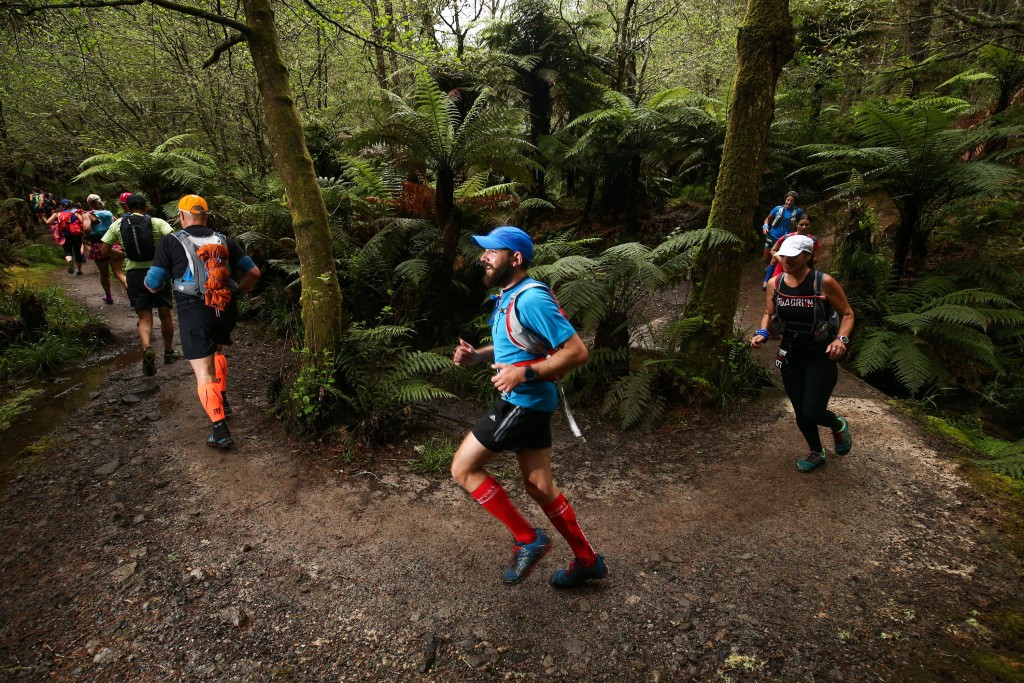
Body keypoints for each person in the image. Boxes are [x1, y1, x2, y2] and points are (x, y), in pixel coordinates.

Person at [451, 226, 607, 588]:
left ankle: (528, 538)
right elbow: (515, 344)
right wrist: (478, 356)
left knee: (462, 468)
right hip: (531, 403)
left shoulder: (532, 298)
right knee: (539, 485)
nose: (483, 257)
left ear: (515, 259)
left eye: (492, 251)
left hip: (521, 403)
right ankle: (587, 560)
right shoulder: (509, 295)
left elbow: (577, 353)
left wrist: (525, 374)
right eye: (484, 251)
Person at [145, 195, 261, 449]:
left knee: (203, 372)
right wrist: (236, 294)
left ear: (181, 215)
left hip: (194, 311)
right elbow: (253, 273)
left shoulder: (170, 242)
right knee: (217, 350)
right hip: (225, 309)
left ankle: (220, 432)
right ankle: (223, 399)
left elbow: (153, 283)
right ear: (206, 215)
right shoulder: (225, 240)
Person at [751, 234, 855, 472]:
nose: (787, 260)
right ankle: (816, 451)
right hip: (790, 356)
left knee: (813, 410)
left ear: (807, 256)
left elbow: (847, 313)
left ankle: (837, 424)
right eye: (785, 256)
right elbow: (769, 312)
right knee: (800, 411)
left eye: (794, 256)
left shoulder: (824, 282)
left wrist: (841, 339)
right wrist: (763, 333)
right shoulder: (775, 284)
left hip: (820, 356)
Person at [100, 194, 179, 376]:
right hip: (158, 271)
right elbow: (175, 242)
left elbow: (104, 250)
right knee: (165, 313)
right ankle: (168, 353)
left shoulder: (117, 224)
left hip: (135, 274)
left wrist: (123, 255)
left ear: (126, 208)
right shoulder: (158, 223)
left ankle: (147, 349)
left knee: (144, 317)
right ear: (146, 207)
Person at [82, 194, 127, 303]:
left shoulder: (87, 214)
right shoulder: (109, 213)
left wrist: (87, 236)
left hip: (99, 246)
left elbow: (86, 228)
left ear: (89, 203)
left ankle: (108, 296)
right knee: (119, 273)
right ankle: (133, 296)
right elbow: (116, 223)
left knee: (104, 274)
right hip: (114, 244)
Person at [763, 214, 819, 290]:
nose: (804, 227)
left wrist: (804, 260)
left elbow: (815, 258)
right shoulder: (787, 237)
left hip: (803, 270)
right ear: (796, 224)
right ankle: (766, 281)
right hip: (783, 268)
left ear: (810, 225)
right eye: (801, 225)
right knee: (776, 289)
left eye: (807, 225)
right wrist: (782, 261)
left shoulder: (813, 240)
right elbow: (773, 250)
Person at [761, 191, 803, 264]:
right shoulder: (777, 208)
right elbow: (767, 219)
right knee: (766, 257)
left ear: (795, 202)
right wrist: (765, 226)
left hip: (785, 239)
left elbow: (802, 222)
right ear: (785, 199)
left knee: (777, 259)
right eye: (788, 200)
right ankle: (770, 268)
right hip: (771, 236)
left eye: (792, 201)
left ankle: (774, 272)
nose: (789, 202)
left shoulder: (798, 211)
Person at [45, 199, 85, 275]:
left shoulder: (57, 214)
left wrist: (57, 222)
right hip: (76, 234)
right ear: (70, 205)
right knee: (77, 251)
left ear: (61, 206)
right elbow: (83, 221)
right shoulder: (75, 213)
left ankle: (70, 261)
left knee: (67, 251)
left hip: (64, 235)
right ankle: (79, 270)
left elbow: (48, 222)